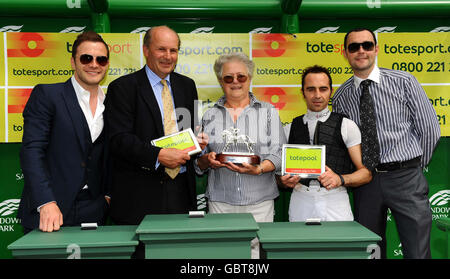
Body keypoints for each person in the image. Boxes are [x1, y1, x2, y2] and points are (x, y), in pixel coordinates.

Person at [333, 28, 440, 259]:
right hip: (366, 182)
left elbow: (430, 128)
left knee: (417, 253)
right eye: (354, 47)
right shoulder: (341, 96)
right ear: (345, 53)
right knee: (370, 251)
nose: (361, 51)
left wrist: (413, 167)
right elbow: (344, 143)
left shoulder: (404, 82)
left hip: (406, 178)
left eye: (367, 45)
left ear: (376, 49)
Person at [104, 25, 201, 225]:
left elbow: (190, 131)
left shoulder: (187, 86)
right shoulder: (122, 88)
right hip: (139, 195)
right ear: (146, 50)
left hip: (182, 192)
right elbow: (118, 140)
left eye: (173, 50)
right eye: (161, 49)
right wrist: (157, 155)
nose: (168, 56)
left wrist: (198, 142)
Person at [195, 52, 287, 259]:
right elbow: (199, 162)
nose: (235, 82)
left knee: (256, 257)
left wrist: (260, 168)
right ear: (220, 81)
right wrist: (207, 161)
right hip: (221, 201)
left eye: (241, 77)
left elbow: (280, 152)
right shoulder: (209, 115)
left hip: (259, 201)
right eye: (228, 78)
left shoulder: (268, 112)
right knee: (223, 255)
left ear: (249, 78)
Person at [18, 31, 111, 233]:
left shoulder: (112, 102)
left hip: (94, 209)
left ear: (107, 64)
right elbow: (32, 151)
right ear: (73, 62)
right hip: (50, 210)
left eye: (101, 59)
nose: (94, 64)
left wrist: (108, 196)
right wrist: (45, 202)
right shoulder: (48, 94)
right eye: (86, 58)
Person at [279, 65, 372, 222]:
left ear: (331, 91)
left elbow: (366, 174)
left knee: (339, 247)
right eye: (311, 89)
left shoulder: (346, 125)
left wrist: (340, 179)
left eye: (323, 89)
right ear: (303, 92)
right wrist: (282, 182)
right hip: (301, 198)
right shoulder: (289, 128)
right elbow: (278, 178)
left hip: (335, 199)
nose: (317, 95)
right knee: (300, 247)